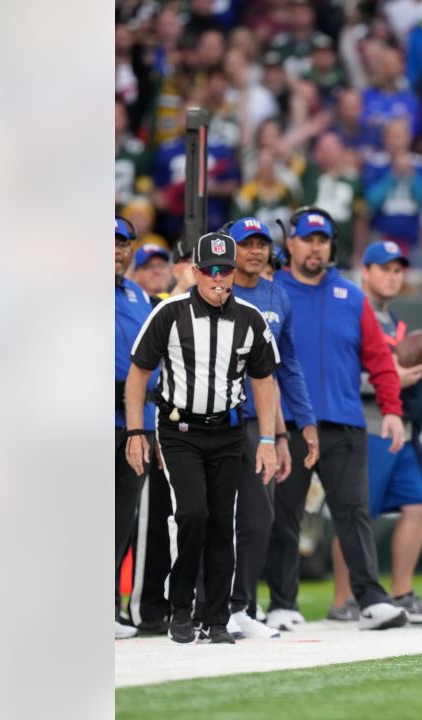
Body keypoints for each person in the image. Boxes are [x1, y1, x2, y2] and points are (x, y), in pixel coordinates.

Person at [123, 232, 281, 644]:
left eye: (224, 270)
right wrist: (136, 430)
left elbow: (264, 381)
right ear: (194, 272)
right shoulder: (169, 313)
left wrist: (267, 439)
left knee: (221, 524)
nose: (218, 278)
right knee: (192, 514)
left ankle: (214, 618)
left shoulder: (250, 318)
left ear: (234, 272)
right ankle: (181, 606)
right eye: (209, 270)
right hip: (179, 431)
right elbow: (139, 372)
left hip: (228, 431)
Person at [266, 209, 411, 632]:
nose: (316, 247)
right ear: (290, 243)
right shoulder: (273, 293)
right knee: (284, 515)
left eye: (323, 239)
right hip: (288, 424)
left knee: (353, 513)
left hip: (344, 422)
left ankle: (370, 600)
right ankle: (281, 603)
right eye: (308, 238)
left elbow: (379, 360)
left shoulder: (352, 296)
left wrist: (392, 411)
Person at [327, 240, 422, 624]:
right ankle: (343, 599)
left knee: (419, 504)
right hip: (367, 425)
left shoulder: (394, 321)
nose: (393, 277)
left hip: (400, 426)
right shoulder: (350, 310)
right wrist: (389, 377)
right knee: (357, 511)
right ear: (366, 272)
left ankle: (402, 592)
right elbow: (338, 372)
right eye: (385, 269)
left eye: (398, 270)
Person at [224, 217, 321, 640]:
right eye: (247, 244)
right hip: (214, 420)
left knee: (258, 518)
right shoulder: (216, 291)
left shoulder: (277, 296)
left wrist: (298, 427)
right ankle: (212, 602)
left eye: (262, 244)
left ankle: (241, 604)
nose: (256, 250)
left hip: (259, 424)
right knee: (212, 517)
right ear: (230, 249)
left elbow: (288, 368)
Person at [114, 217, 158, 640]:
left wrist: (151, 426)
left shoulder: (137, 295)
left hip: (133, 422)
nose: (116, 249)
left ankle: (108, 605)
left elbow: (152, 364)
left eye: (122, 242)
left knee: (121, 516)